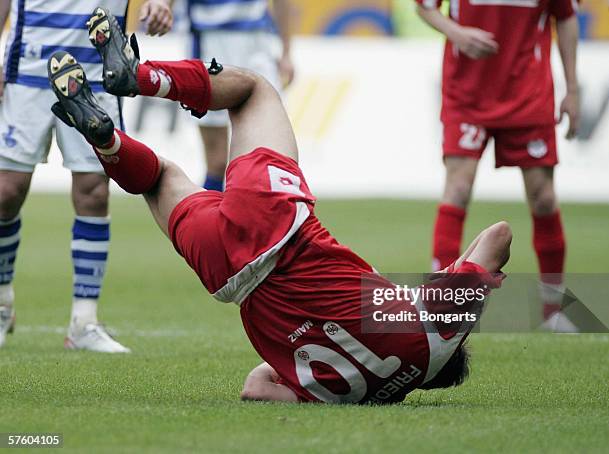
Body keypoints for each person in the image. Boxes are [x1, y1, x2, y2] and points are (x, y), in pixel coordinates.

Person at [47, 8, 511, 403]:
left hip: (281, 225)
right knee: (159, 179)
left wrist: (463, 288)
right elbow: (255, 388)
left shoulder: (430, 332)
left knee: (254, 90)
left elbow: (499, 236)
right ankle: (107, 141)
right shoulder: (336, 393)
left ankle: (141, 75)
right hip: (229, 272)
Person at [0, 0, 175, 351]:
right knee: (6, 191)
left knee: (94, 192)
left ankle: (84, 321)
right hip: (27, 63)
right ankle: (2, 302)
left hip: (96, 67)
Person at [414, 0, 580, 331]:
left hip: (529, 93)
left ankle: (553, 307)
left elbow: (566, 18)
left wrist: (572, 88)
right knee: (458, 188)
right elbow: (424, 6)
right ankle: (439, 304)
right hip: (467, 93)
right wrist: (455, 32)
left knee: (543, 196)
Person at [187, 0, 294, 191]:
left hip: (256, 42)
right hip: (208, 40)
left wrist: (286, 52)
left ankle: (264, 219)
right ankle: (212, 220)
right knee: (217, 162)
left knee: (269, 155)